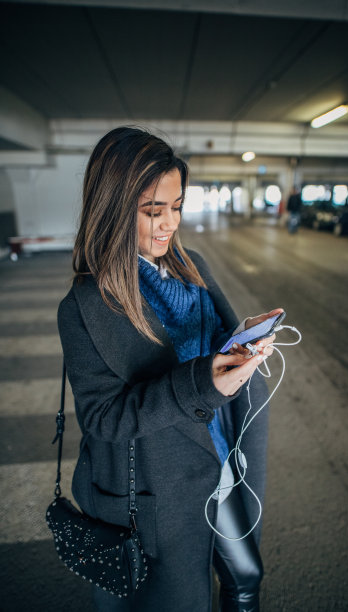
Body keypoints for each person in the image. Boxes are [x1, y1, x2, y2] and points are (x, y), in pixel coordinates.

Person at [58, 126, 282, 612]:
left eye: (176, 207)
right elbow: (104, 419)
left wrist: (242, 342)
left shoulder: (190, 263)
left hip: (218, 456)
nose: (169, 225)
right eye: (153, 211)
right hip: (159, 488)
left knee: (246, 573)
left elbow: (212, 346)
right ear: (114, 208)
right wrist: (203, 381)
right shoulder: (86, 304)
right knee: (177, 598)